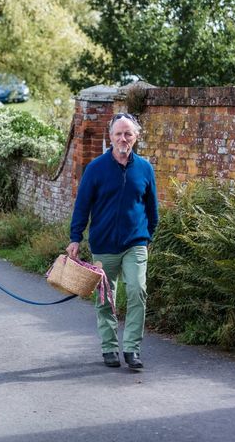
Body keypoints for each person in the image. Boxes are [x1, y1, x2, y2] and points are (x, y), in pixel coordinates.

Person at [66, 112, 158, 369]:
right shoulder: (96, 168)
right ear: (110, 137)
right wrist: (75, 238)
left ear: (136, 137)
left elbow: (153, 211)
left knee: (137, 291)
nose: (123, 138)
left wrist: (146, 237)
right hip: (103, 246)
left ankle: (132, 350)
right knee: (106, 299)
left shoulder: (145, 169)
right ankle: (109, 348)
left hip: (135, 245)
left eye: (128, 133)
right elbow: (82, 207)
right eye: (118, 133)